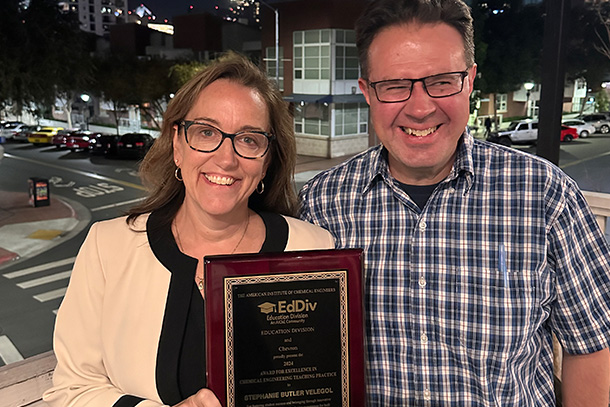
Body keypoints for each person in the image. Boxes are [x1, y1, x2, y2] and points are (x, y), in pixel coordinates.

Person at [299, 0, 610, 405]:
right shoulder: (321, 204)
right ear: (367, 93)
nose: (421, 107)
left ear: (469, 81)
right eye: (395, 85)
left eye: (442, 81)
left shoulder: (546, 196)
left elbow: (591, 344)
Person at [43, 53, 334, 407]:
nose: (226, 159)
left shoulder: (314, 251)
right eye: (206, 132)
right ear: (177, 145)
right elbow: (72, 389)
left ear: (267, 159)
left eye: (249, 140)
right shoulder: (108, 247)